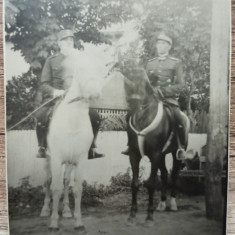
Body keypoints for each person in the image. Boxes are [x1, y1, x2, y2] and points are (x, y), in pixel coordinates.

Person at [35, 29, 104, 159]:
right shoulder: (51, 60)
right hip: (56, 98)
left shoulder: (80, 59)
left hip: (77, 98)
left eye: (71, 40)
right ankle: (43, 146)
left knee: (95, 116)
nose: (69, 42)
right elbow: (44, 84)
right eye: (65, 40)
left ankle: (91, 147)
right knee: (41, 115)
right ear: (59, 43)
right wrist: (55, 91)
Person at [122, 32, 187, 159]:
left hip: (168, 99)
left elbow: (180, 85)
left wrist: (163, 91)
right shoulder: (150, 63)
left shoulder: (175, 63)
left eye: (163, 44)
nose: (160, 46)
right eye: (158, 43)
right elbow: (145, 82)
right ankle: (131, 145)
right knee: (130, 115)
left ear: (169, 46)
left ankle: (181, 148)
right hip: (150, 99)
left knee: (180, 118)